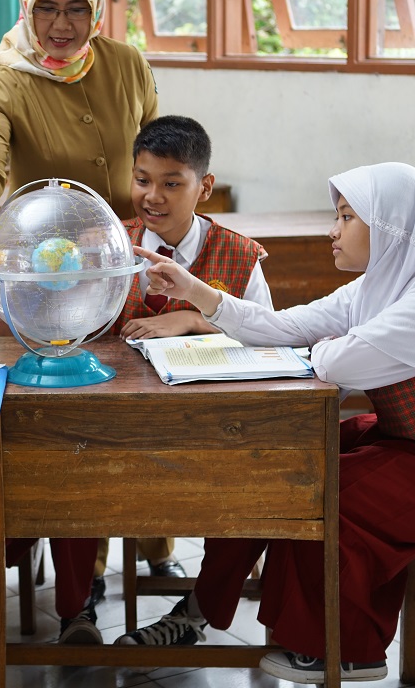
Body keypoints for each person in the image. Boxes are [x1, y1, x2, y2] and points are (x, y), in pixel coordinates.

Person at [118, 162, 415, 684]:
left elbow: (338, 363)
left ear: (388, 226)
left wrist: (323, 345)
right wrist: (195, 291)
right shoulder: (375, 288)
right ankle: (201, 608)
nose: (332, 231)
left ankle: (346, 651)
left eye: (346, 217)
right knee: (276, 461)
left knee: (322, 494)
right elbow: (283, 326)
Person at [91, 115, 276, 603]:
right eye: (142, 180)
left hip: (207, 423)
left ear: (205, 187)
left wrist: (195, 319)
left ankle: (203, 576)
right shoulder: (109, 244)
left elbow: (270, 336)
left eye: (172, 184)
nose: (153, 196)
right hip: (116, 417)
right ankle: (88, 579)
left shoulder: (240, 255)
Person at [0, 0, 159, 230]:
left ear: (96, 8)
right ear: (27, 6)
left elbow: (157, 149)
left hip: (131, 240)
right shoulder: (1, 82)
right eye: (46, 8)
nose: (61, 24)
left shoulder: (127, 62)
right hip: (47, 246)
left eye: (77, 9)